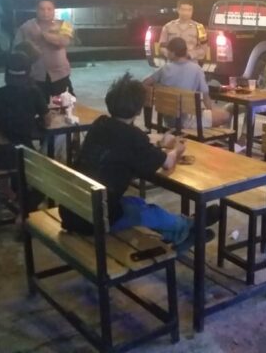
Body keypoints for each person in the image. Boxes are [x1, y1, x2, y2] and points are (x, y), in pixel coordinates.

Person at [59, 73, 219, 252]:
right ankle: (190, 225)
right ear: (138, 110)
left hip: (72, 209)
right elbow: (167, 163)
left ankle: (180, 233)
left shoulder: (100, 124)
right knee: (144, 212)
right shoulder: (133, 138)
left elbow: (125, 148)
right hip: (93, 220)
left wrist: (159, 144)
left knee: (136, 203)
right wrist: (176, 150)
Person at [0, 52, 49, 208]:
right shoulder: (34, 93)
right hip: (21, 154)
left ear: (6, 73)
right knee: (47, 176)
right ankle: (23, 209)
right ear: (28, 72)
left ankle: (8, 191)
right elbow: (47, 121)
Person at [143, 37, 231, 129]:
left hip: (169, 120)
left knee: (211, 115)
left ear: (173, 53)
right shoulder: (196, 69)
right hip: (188, 120)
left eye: (168, 51)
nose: (166, 54)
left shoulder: (164, 69)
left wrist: (157, 89)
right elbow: (206, 98)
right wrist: (211, 111)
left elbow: (144, 83)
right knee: (226, 115)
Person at [14, 0, 74, 97]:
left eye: (49, 9)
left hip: (60, 75)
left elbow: (64, 41)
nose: (45, 12)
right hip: (36, 76)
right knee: (38, 104)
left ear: (54, 10)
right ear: (36, 10)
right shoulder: (26, 27)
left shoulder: (63, 24)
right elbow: (16, 48)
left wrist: (44, 34)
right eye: (42, 9)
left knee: (65, 103)